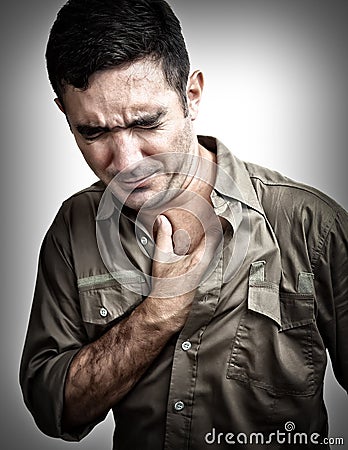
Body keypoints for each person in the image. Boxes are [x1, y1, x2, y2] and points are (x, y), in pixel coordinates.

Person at [20, 0, 347, 449]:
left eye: (146, 122)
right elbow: (50, 406)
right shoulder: (72, 229)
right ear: (65, 116)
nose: (125, 162)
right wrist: (158, 316)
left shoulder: (311, 225)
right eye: (93, 132)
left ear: (191, 96)